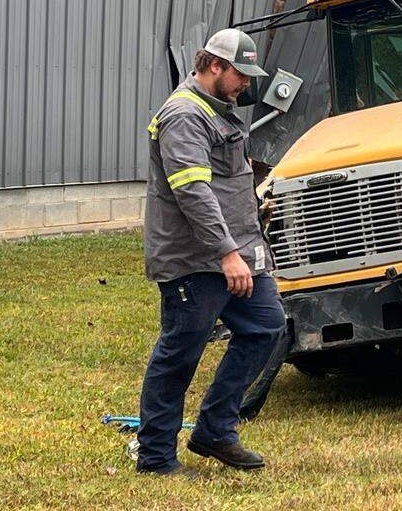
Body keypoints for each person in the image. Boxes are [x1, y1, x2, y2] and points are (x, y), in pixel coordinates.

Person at [136, 29, 285, 477]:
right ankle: (156, 458)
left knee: (266, 326)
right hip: (195, 260)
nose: (247, 84)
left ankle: (215, 431)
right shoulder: (184, 115)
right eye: (241, 74)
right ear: (215, 66)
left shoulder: (219, 111)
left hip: (236, 253)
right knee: (180, 355)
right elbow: (193, 192)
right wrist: (226, 253)